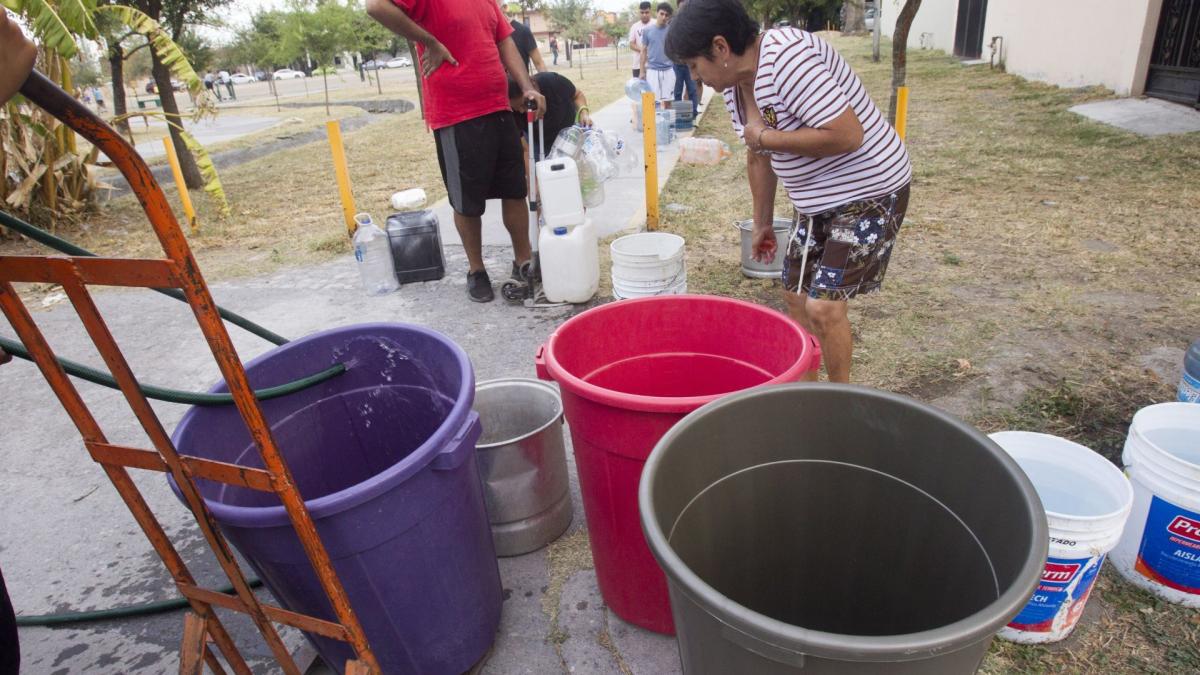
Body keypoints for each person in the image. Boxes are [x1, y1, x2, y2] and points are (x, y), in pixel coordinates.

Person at [666, 0, 911, 383]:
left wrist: (766, 135)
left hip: (867, 189)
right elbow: (758, 155)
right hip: (815, 198)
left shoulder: (787, 59)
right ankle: (807, 399)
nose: (696, 78)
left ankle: (839, 400)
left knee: (824, 309)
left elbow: (847, 134)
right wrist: (762, 222)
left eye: (695, 67)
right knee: (796, 298)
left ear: (720, 47)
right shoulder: (735, 87)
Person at [366, 0, 546, 303]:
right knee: (467, 201)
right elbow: (375, 6)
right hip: (456, 114)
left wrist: (526, 86)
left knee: (515, 190)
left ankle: (523, 262)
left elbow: (504, 41)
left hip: (498, 107)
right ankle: (477, 271)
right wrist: (429, 41)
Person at [507, 71, 590, 160]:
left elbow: (577, 95)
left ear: (532, 89)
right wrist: (534, 173)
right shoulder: (512, 113)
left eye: (524, 104)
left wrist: (584, 113)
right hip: (538, 143)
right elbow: (525, 150)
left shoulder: (552, 82)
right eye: (515, 108)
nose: (521, 111)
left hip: (568, 136)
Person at [639, 3, 675, 105]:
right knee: (651, 102)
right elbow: (643, 51)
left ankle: (668, 121)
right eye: (662, 14)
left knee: (668, 102)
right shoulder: (647, 30)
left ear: (669, 17)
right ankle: (653, 121)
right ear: (656, 13)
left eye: (666, 15)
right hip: (652, 71)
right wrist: (642, 72)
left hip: (668, 70)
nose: (664, 17)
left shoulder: (671, 31)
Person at [672, 0, 698, 116]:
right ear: (678, 7)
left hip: (690, 64)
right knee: (677, 91)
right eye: (681, 6)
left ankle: (693, 113)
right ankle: (677, 115)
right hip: (677, 64)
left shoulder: (694, 22)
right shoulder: (672, 23)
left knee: (692, 89)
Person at [504, 5, 547, 73]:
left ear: (505, 8)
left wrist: (546, 82)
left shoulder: (522, 31)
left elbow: (539, 63)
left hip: (520, 83)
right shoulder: (486, 32)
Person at [627, 1, 652, 78]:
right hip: (637, 65)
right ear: (639, 13)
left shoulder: (655, 24)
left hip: (653, 66)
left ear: (650, 12)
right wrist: (643, 50)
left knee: (652, 89)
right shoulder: (635, 26)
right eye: (642, 12)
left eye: (646, 12)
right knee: (640, 89)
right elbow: (631, 44)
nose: (644, 15)